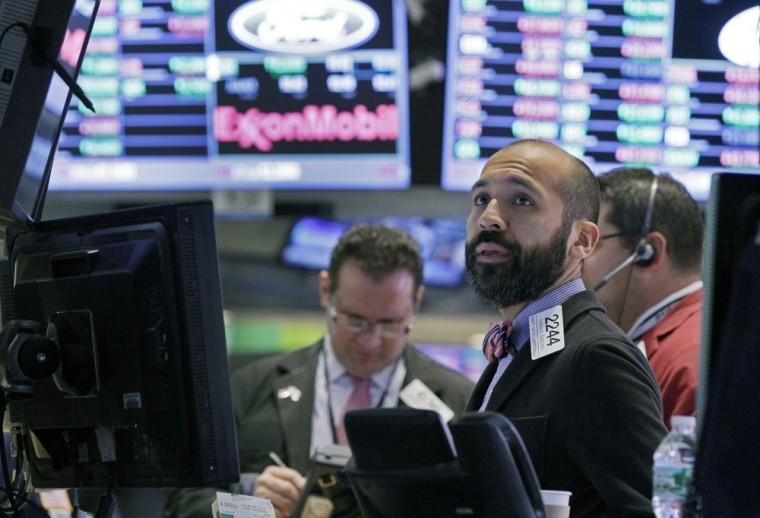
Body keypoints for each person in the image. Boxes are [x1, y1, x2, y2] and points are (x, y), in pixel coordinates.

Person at [164, 224, 474, 518]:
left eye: (389, 323)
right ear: (326, 290)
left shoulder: (459, 402)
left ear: (416, 302)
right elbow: (181, 502)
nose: (370, 341)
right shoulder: (252, 387)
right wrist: (247, 504)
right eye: (354, 319)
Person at [464, 139, 666, 517]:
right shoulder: (518, 348)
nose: (490, 217)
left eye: (521, 200)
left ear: (582, 241)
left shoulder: (595, 357)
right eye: (481, 199)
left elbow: (657, 511)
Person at [583, 167, 703, 428]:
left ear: (649, 253)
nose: (573, 262)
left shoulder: (690, 361)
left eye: (591, 244)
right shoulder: (662, 344)